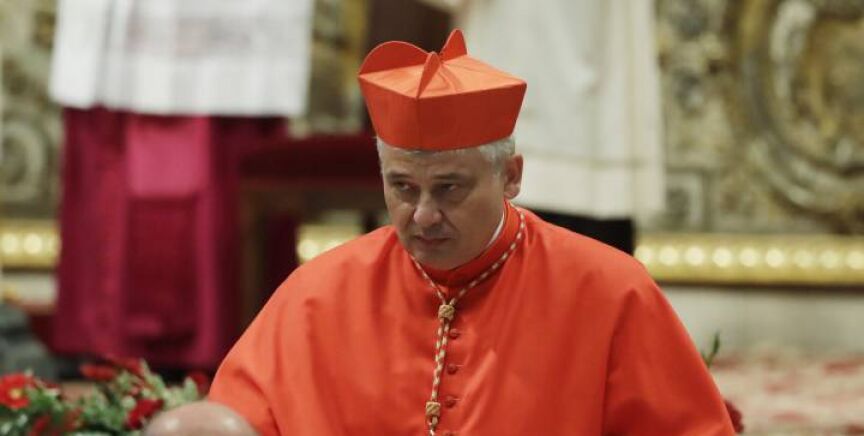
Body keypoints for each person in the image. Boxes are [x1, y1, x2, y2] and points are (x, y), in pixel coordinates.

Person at [205, 30, 735, 435]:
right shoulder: (316, 296)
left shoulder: (609, 291)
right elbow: (234, 418)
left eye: (449, 188)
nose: (423, 215)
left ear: (510, 177)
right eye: (403, 187)